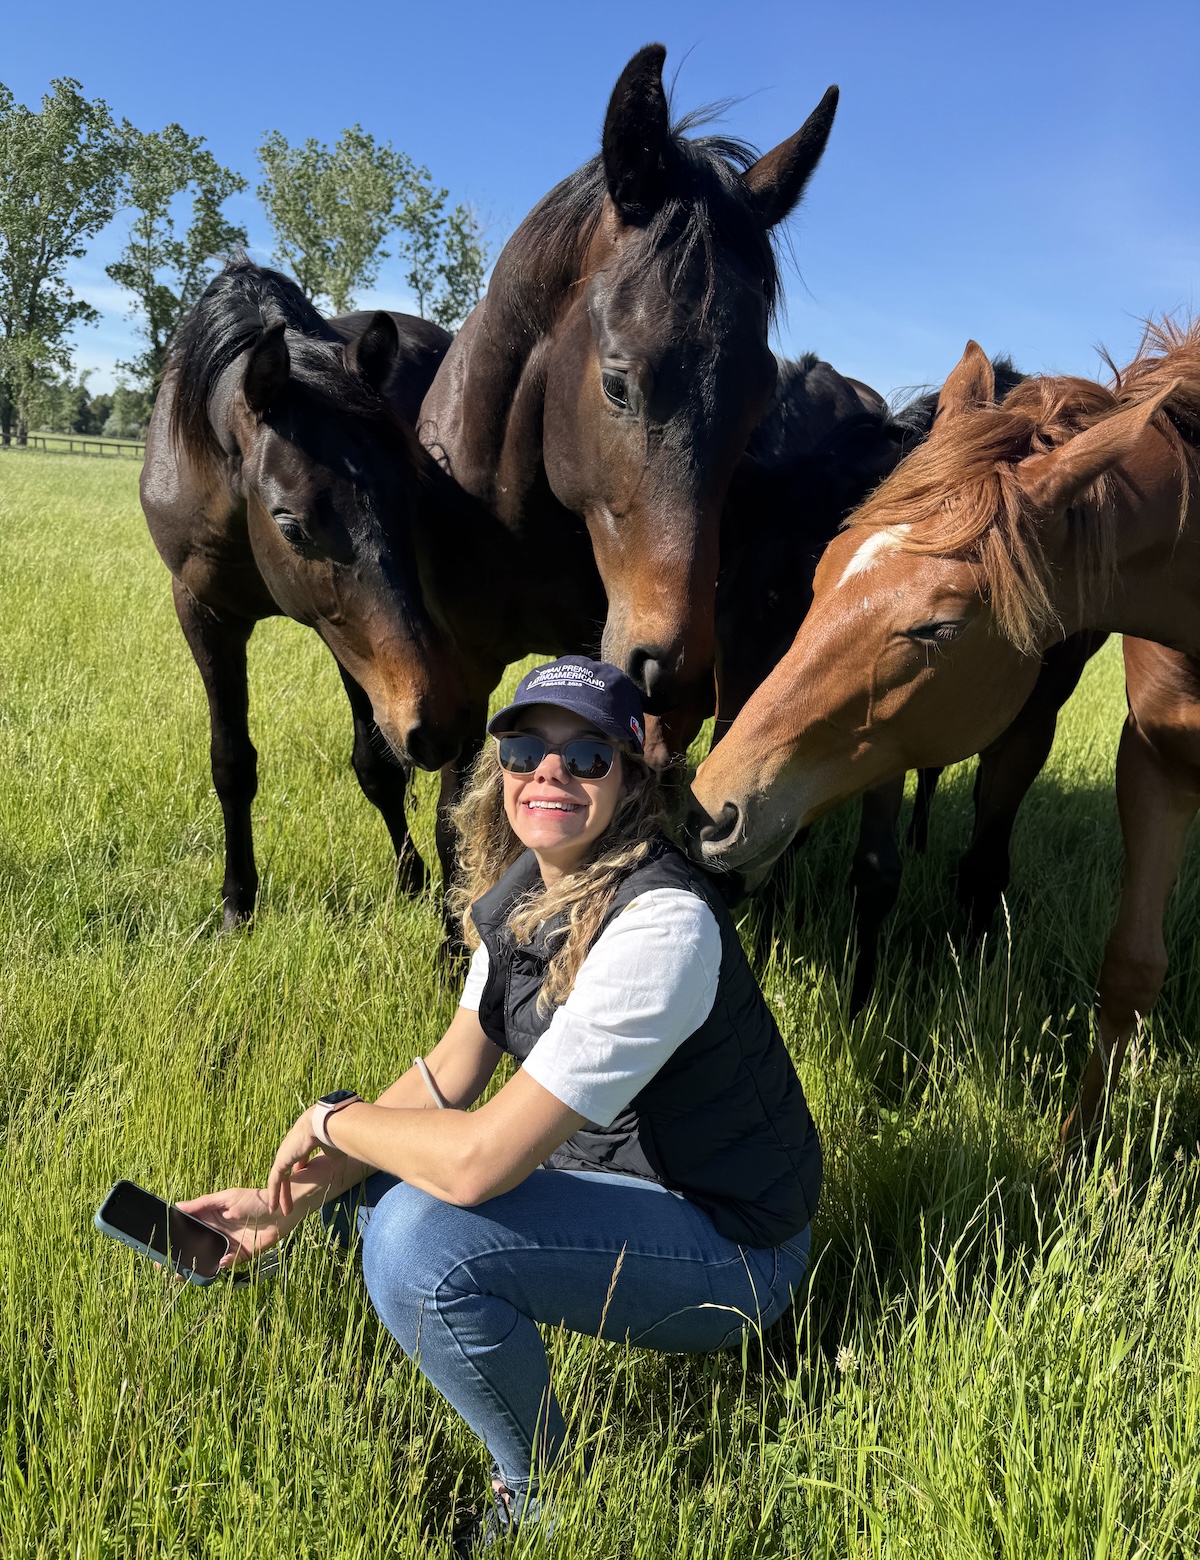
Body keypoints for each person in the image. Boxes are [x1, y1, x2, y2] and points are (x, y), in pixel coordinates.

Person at [181, 656, 821, 1551]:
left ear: (634, 777)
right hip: (612, 1178)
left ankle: (543, 1488)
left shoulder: (663, 925)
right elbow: (447, 1076)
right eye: (525, 750)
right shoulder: (527, 890)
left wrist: (330, 1117)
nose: (548, 772)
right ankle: (338, 1272)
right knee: (376, 1183)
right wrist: (284, 1201)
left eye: (586, 756)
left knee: (417, 1241)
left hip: (732, 1246)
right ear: (500, 770)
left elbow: (477, 1165)